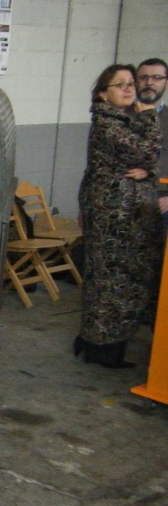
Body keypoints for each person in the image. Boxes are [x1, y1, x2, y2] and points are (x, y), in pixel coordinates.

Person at [74, 64, 163, 368]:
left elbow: (147, 159)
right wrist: (149, 117)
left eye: (130, 84)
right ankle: (101, 349)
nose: (128, 89)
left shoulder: (123, 120)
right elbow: (148, 152)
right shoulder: (109, 124)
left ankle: (97, 343)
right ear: (103, 93)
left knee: (116, 282)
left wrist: (147, 171)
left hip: (124, 216)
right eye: (120, 84)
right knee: (111, 283)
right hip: (114, 217)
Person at [136, 58, 168, 231]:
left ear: (166, 82)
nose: (149, 83)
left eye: (156, 77)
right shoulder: (120, 117)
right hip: (124, 200)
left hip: (162, 201)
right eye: (143, 77)